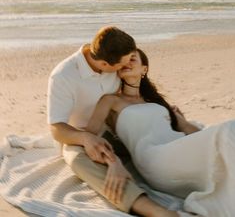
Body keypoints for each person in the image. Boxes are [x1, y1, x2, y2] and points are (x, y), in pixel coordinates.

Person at [86, 48, 235, 217]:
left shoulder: (158, 103)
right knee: (229, 129)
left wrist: (184, 123)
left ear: (144, 69)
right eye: (124, 60)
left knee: (228, 135)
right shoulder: (111, 100)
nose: (127, 62)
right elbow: (90, 136)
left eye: (133, 59)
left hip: (177, 149)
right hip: (154, 158)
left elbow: (195, 134)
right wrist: (113, 162)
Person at [47, 26, 179, 217]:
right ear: (104, 64)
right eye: (122, 65)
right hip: (81, 135)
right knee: (76, 159)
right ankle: (149, 208)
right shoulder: (63, 76)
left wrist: (166, 110)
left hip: (119, 128)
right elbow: (56, 128)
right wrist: (86, 139)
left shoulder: (113, 53)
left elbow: (134, 86)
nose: (125, 67)